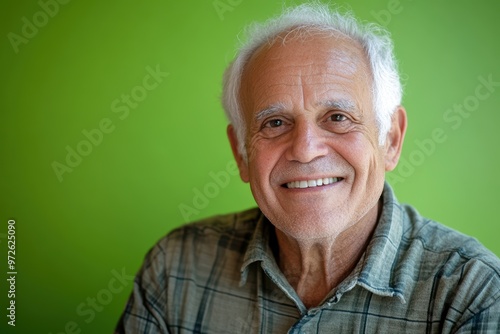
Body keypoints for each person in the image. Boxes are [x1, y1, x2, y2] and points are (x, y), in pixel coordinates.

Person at [115, 3, 500, 333]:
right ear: (241, 154)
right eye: (275, 123)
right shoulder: (175, 270)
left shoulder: (472, 294)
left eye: (337, 116)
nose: (304, 150)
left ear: (391, 140)